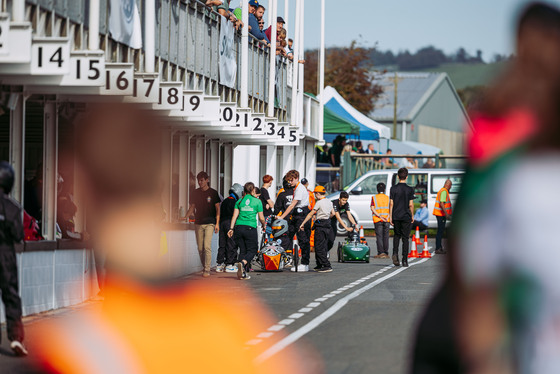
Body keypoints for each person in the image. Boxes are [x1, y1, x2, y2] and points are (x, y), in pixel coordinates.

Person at [0, 161, 27, 356]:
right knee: (10, 295)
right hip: (5, 254)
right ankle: (16, 338)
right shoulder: (13, 207)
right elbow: (18, 235)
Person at [185, 171, 221, 277]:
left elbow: (218, 209)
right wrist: (185, 216)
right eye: (198, 180)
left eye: (202, 180)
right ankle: (204, 266)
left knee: (206, 246)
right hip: (198, 222)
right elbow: (192, 207)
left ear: (207, 180)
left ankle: (207, 269)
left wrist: (217, 223)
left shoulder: (213, 193)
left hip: (210, 222)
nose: (200, 182)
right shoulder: (195, 193)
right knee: (200, 248)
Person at [227, 182, 265, 280]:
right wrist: (264, 225)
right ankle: (242, 263)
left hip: (238, 227)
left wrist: (231, 228)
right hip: (250, 227)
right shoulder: (257, 202)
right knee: (253, 249)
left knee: (242, 250)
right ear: (253, 190)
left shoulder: (239, 201)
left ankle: (242, 273)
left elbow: (234, 216)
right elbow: (261, 218)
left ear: (244, 190)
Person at [279, 170, 311, 272]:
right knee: (288, 235)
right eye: (288, 180)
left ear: (297, 178)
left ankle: (305, 263)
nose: (290, 182)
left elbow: (292, 204)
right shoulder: (296, 188)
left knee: (303, 239)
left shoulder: (300, 189)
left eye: (291, 180)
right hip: (296, 214)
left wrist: (282, 217)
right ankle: (281, 259)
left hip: (301, 215)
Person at [299, 186, 334, 272]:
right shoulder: (329, 201)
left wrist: (303, 223)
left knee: (318, 246)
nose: (315, 195)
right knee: (323, 245)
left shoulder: (319, 202)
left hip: (320, 225)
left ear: (318, 194)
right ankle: (319, 264)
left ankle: (326, 265)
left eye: (315, 194)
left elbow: (311, 214)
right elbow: (333, 213)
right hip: (327, 224)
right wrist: (326, 217)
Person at [389, 167, 414, 267]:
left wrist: (390, 216)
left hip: (396, 215)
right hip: (406, 216)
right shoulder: (410, 189)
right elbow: (411, 204)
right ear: (406, 177)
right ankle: (405, 260)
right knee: (405, 238)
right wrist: (412, 215)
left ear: (398, 176)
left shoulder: (393, 188)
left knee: (396, 236)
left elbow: (391, 203)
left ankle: (395, 254)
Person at [217, 183, 243, 273]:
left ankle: (220, 264)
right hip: (230, 223)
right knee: (231, 243)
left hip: (222, 223)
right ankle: (229, 264)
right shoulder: (236, 202)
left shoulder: (224, 201)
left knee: (222, 243)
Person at [432, 179, 452, 254]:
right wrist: (446, 214)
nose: (451, 187)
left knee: (440, 231)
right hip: (441, 214)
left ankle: (439, 247)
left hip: (440, 214)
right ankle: (438, 248)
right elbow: (442, 203)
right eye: (451, 185)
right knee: (440, 231)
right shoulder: (444, 191)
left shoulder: (442, 190)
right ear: (448, 185)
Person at [371, 182, 390, 259]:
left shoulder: (374, 198)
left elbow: (372, 208)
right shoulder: (388, 197)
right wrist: (387, 216)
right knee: (386, 236)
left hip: (378, 219)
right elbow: (391, 208)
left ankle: (381, 252)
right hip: (387, 219)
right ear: (384, 189)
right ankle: (386, 252)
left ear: (377, 189)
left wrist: (380, 216)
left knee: (379, 236)